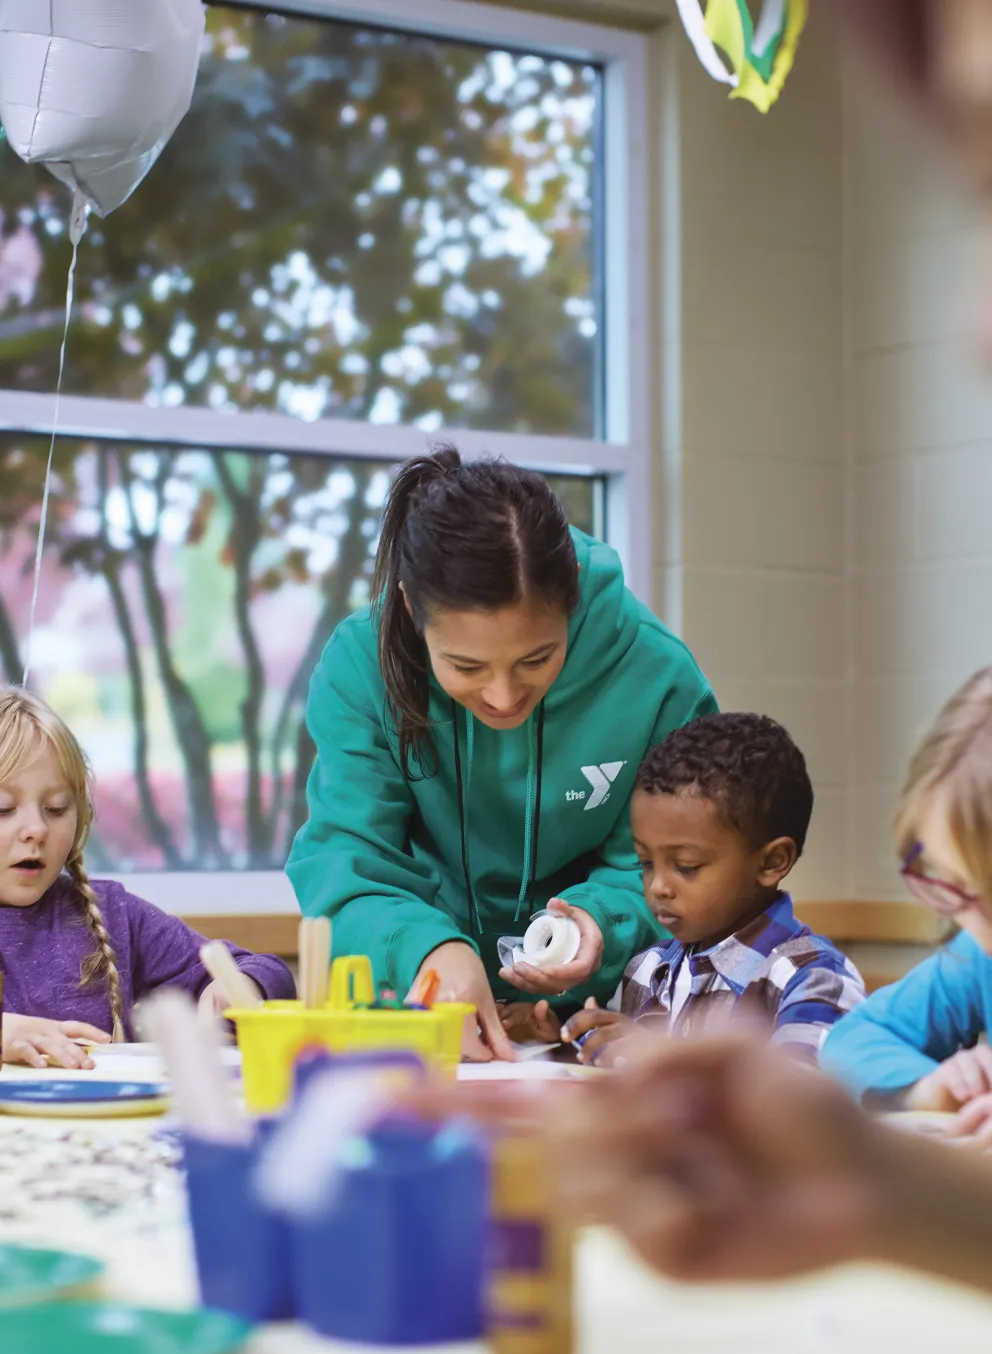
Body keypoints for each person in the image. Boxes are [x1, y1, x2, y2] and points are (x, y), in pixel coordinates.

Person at [286, 447, 715, 1060]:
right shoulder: (360, 667)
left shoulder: (656, 674)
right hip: (415, 1014)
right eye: (465, 667)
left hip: (587, 1028)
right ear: (411, 609)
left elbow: (680, 860)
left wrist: (601, 924)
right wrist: (427, 949)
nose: (503, 696)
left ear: (569, 604)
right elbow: (348, 857)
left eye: (537, 659)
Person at [543, 714, 864, 1065]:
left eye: (686, 866)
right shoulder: (648, 970)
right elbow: (622, 1065)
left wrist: (668, 1060)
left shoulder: (813, 979)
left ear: (772, 862)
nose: (659, 886)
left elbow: (808, 1100)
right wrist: (565, 1037)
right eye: (646, 863)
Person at [0, 688, 295, 1070]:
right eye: (4, 808)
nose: (36, 829)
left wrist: (238, 988)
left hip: (105, 1129)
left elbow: (261, 970)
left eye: (56, 809)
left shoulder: (115, 914)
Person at [820, 669, 992, 1134]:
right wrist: (927, 1086)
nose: (974, 924)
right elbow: (851, 1041)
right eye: (954, 883)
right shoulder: (977, 956)